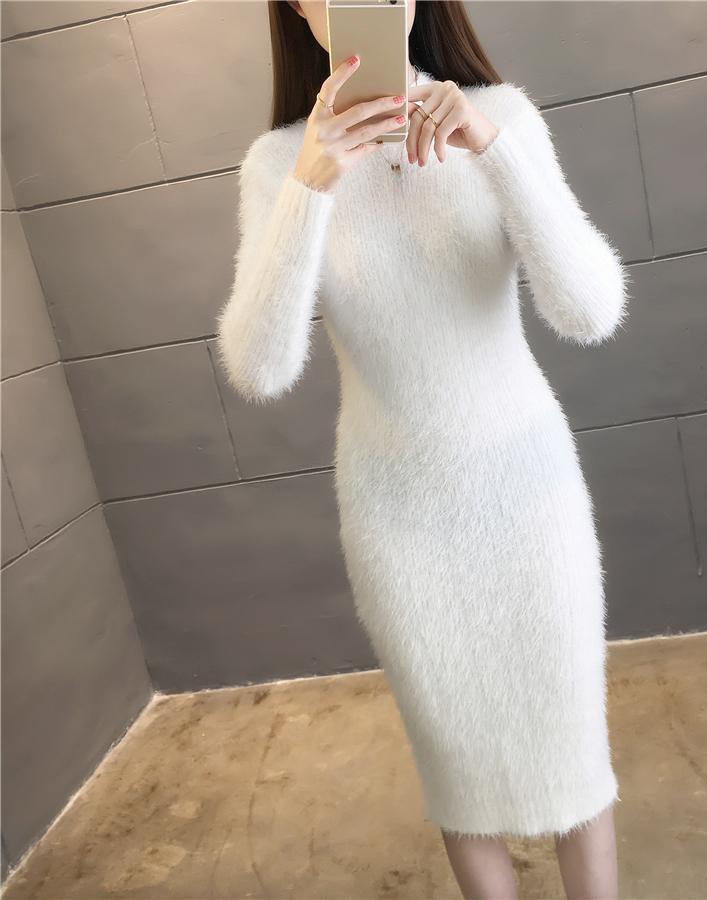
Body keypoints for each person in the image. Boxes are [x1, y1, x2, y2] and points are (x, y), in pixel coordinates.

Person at [216, 2, 630, 897]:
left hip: (530, 495)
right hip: (398, 517)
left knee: (574, 745)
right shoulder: (278, 164)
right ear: (296, 6)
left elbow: (590, 311)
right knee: (458, 770)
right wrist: (311, 185)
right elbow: (259, 368)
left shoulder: (502, 117)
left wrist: (493, 150)